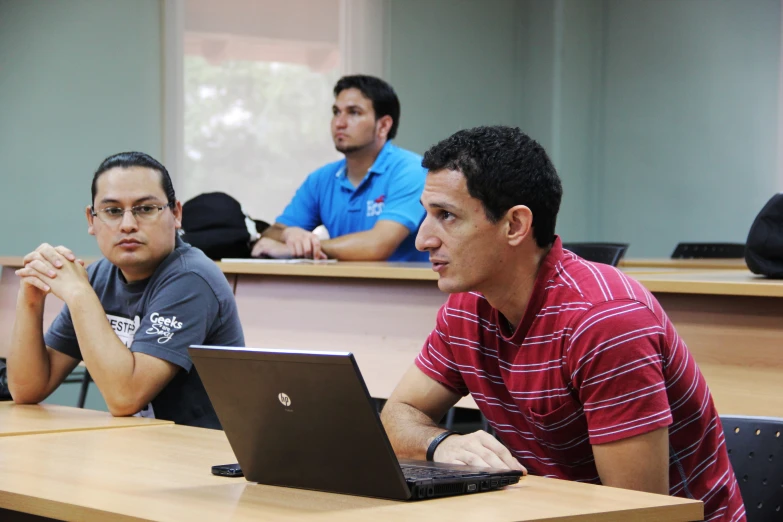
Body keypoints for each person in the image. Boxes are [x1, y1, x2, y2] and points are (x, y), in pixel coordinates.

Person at [380, 126, 745, 521]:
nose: (422, 240)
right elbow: (397, 414)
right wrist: (440, 444)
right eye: (427, 214)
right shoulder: (467, 307)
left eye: (446, 216)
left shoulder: (605, 321)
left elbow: (638, 513)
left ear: (515, 225)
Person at [7, 152, 244, 429]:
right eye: (112, 211)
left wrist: (80, 295)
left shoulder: (191, 278)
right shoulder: (98, 276)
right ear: (91, 219)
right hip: (145, 446)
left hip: (206, 454)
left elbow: (124, 397)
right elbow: (26, 390)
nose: (128, 224)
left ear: (176, 214)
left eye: (145, 209)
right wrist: (31, 297)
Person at [252, 75, 428, 262]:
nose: (339, 123)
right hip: (343, 288)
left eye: (353, 113)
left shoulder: (411, 171)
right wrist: (289, 234)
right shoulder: (321, 179)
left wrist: (304, 248)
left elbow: (376, 246)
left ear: (383, 125)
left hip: (405, 290)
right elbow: (270, 235)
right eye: (336, 112)